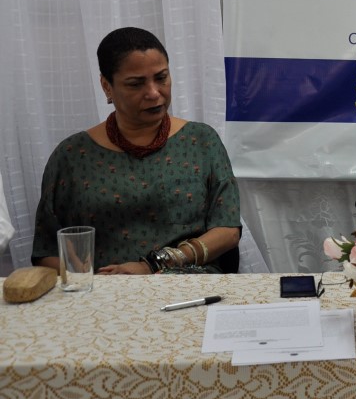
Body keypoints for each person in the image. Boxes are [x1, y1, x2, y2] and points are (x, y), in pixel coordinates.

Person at [32, 27, 241, 274]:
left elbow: (228, 230)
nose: (153, 93)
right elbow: (47, 251)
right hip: (104, 289)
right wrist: (92, 282)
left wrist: (154, 264)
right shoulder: (72, 156)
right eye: (135, 84)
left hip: (188, 285)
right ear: (107, 86)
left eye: (161, 78)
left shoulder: (200, 141)